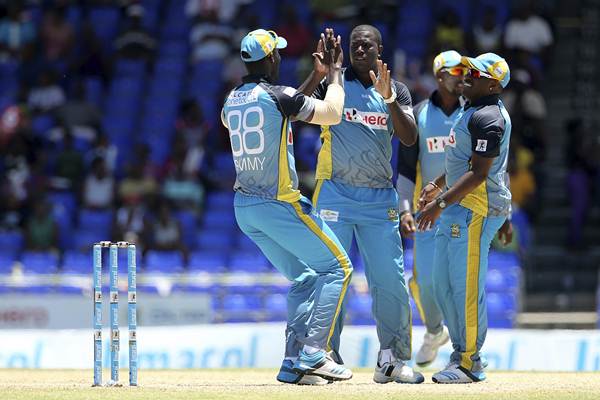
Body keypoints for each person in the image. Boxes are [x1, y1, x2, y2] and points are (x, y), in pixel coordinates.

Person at [221, 28, 353, 383]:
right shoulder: (279, 95)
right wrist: (336, 73)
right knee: (338, 267)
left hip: (244, 207)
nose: (280, 57)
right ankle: (314, 351)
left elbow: (286, 109)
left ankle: (293, 361)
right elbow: (331, 114)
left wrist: (317, 76)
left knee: (305, 275)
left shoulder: (231, 100)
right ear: (270, 59)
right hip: (277, 202)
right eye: (276, 53)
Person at [301, 24, 424, 384]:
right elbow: (292, 109)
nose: (360, 49)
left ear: (379, 50)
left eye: (367, 45)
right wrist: (319, 72)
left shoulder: (396, 89)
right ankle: (324, 356)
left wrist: (388, 99)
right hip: (335, 193)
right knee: (331, 279)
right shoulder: (332, 85)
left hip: (378, 199)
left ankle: (393, 358)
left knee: (389, 282)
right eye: (355, 44)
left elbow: (410, 137)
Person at [416, 52, 513, 383]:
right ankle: (459, 354)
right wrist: (436, 184)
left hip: (475, 210)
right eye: (466, 70)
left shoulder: (489, 118)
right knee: (443, 285)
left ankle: (471, 361)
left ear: (494, 84)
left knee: (465, 288)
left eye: (476, 73)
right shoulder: (471, 110)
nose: (466, 75)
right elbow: (461, 162)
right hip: (458, 206)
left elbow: (479, 175)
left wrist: (437, 204)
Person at [396, 50, 466, 367]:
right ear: (439, 76)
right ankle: (435, 332)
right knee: (424, 283)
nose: (462, 76)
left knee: (455, 283)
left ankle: (463, 353)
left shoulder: (473, 113)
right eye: (455, 72)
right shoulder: (420, 115)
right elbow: (407, 169)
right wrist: (405, 209)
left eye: (465, 71)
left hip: (464, 211)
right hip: (427, 214)